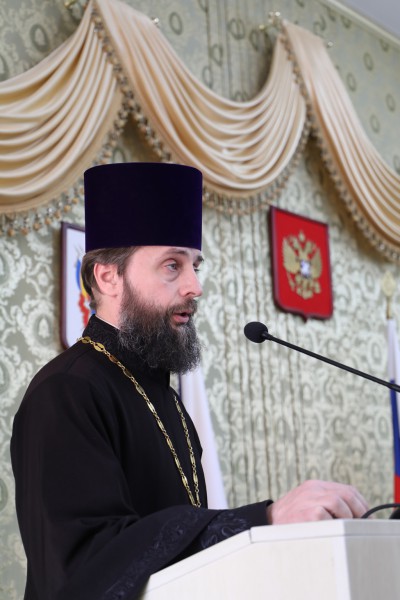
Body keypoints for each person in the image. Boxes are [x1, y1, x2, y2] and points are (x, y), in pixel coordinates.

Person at [11, 162, 368, 600]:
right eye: (171, 266)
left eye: (195, 265)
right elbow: (88, 561)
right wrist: (265, 518)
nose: (195, 286)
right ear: (108, 277)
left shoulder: (168, 400)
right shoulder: (66, 392)